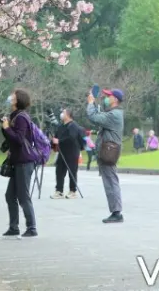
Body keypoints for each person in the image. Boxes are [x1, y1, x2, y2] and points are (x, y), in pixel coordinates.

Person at [0, 88, 37, 238]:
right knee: (10, 195)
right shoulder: (15, 116)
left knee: (23, 196)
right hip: (17, 161)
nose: (10, 98)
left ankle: (31, 227)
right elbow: (11, 138)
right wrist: (5, 126)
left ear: (18, 100)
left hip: (24, 161)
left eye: (13, 96)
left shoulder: (22, 117)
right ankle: (13, 227)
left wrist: (7, 128)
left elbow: (19, 139)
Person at [87, 88, 125, 224]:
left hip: (109, 152)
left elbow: (94, 117)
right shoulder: (113, 114)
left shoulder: (114, 115)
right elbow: (99, 117)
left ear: (115, 99)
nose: (106, 98)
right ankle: (116, 211)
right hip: (108, 151)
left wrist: (91, 103)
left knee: (111, 182)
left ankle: (116, 213)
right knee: (110, 181)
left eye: (109, 96)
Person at [51, 108, 85, 199]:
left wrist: (59, 141)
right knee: (59, 171)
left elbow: (71, 138)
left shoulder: (73, 125)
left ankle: (73, 191)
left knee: (72, 171)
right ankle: (59, 191)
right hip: (62, 152)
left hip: (72, 152)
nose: (62, 114)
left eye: (63, 112)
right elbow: (57, 137)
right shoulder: (61, 126)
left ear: (68, 115)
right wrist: (53, 142)